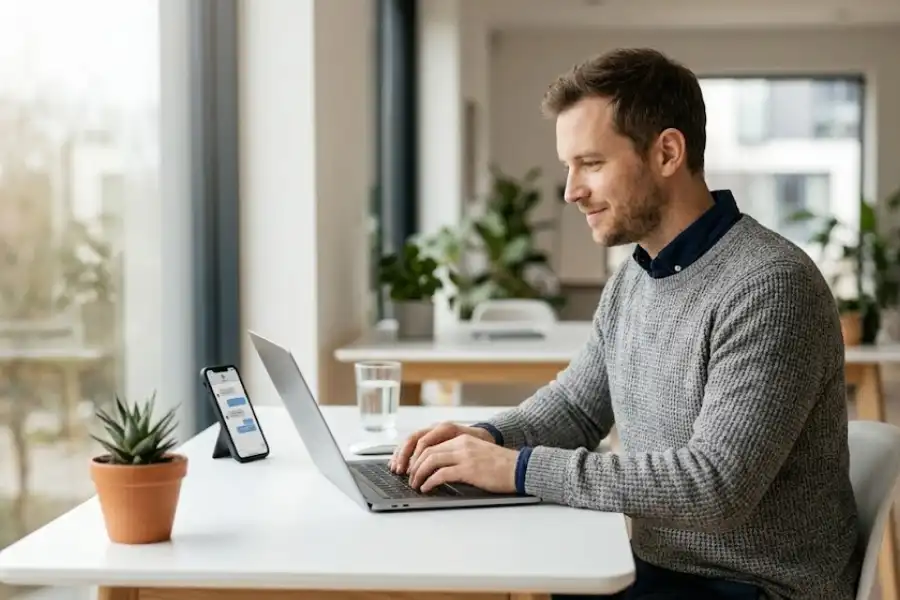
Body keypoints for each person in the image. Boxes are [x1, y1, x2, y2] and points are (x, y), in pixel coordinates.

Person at [389, 48, 863, 600]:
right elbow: (576, 407)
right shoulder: (635, 276)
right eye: (569, 167)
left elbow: (715, 486)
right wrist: (485, 438)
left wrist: (516, 469)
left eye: (591, 163)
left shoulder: (770, 285)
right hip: (658, 570)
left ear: (667, 152)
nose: (571, 190)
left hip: (755, 587)